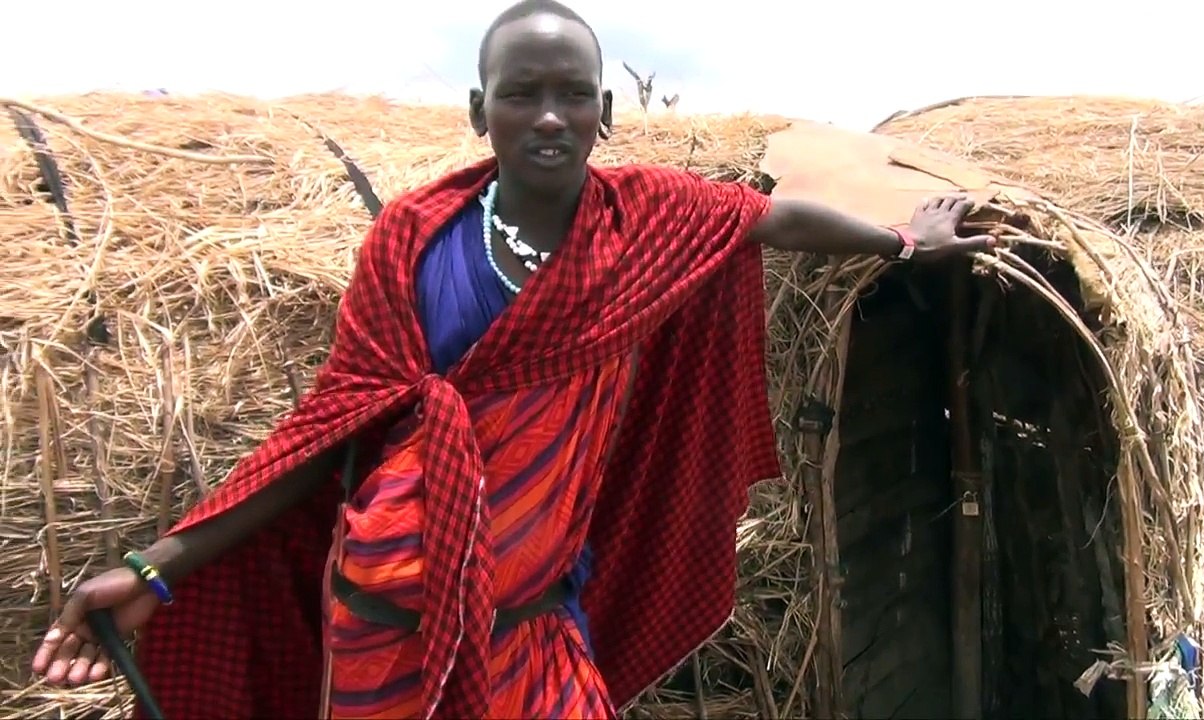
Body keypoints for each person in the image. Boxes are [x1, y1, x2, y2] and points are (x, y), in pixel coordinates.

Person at [31, 1, 994, 717]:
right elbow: (334, 429)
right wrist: (156, 567)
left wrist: (903, 245)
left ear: (604, 109)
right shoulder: (413, 239)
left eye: (572, 94)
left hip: (535, 618)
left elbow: (775, 219)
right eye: (520, 93)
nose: (547, 116)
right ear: (476, 108)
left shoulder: (650, 221)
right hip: (384, 616)